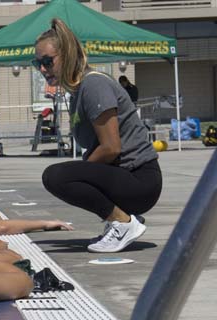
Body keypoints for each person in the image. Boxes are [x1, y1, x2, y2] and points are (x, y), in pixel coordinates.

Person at [34, 19, 162, 253]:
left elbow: (111, 147)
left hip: (141, 181)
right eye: (37, 63)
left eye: (47, 62)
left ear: (68, 56)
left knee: (56, 176)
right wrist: (83, 172)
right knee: (68, 173)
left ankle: (123, 223)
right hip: (125, 177)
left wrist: (80, 174)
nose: (42, 69)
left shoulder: (93, 86)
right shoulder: (78, 91)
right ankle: (124, 218)